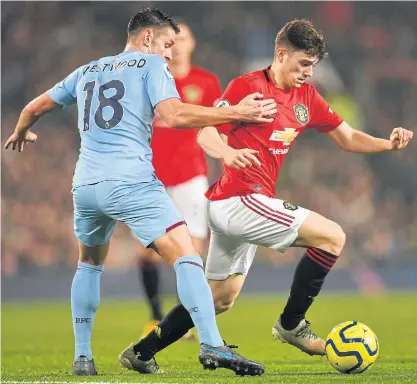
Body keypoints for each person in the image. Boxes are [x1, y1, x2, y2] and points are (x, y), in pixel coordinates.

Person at [4, 8, 278, 377]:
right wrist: (237, 113)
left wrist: (22, 132)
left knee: (88, 264)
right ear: (147, 37)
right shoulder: (151, 68)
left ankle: (83, 356)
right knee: (187, 256)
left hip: (85, 186)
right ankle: (212, 344)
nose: (169, 53)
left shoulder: (88, 70)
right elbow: (176, 115)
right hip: (131, 183)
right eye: (166, 44)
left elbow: (35, 106)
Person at [125, 18, 413, 369]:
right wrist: (229, 153)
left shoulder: (307, 96)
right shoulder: (247, 86)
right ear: (281, 54)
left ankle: (141, 353)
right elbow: (205, 133)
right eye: (303, 63)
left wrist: (388, 144)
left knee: (218, 299)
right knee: (332, 237)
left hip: (238, 205)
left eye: (313, 65)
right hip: (238, 197)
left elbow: (348, 136)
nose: (309, 72)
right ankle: (291, 325)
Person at [137, 21, 222, 341]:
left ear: (192, 43)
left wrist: (224, 167)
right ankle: (156, 315)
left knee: (192, 252)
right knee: (147, 252)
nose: (175, 45)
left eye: (181, 38)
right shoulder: (150, 80)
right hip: (153, 179)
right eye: (169, 40)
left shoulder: (206, 82)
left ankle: (185, 317)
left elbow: (216, 127)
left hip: (190, 177)